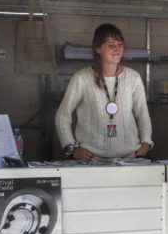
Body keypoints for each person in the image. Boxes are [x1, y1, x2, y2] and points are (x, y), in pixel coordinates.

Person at [56, 24, 153, 160]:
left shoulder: (133, 77)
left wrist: (146, 142)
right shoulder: (82, 78)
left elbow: (142, 113)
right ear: (98, 49)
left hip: (130, 157)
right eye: (111, 45)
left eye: (120, 44)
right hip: (92, 159)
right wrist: (72, 148)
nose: (118, 49)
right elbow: (62, 116)